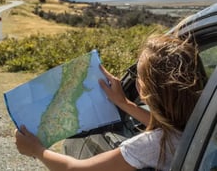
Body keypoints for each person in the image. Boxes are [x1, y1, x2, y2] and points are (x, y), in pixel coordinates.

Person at [14, 33, 205, 171]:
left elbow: (75, 169)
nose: (136, 82)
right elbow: (171, 128)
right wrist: (124, 103)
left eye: (138, 77)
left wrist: (37, 150)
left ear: (145, 92)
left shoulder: (151, 146)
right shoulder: (202, 123)